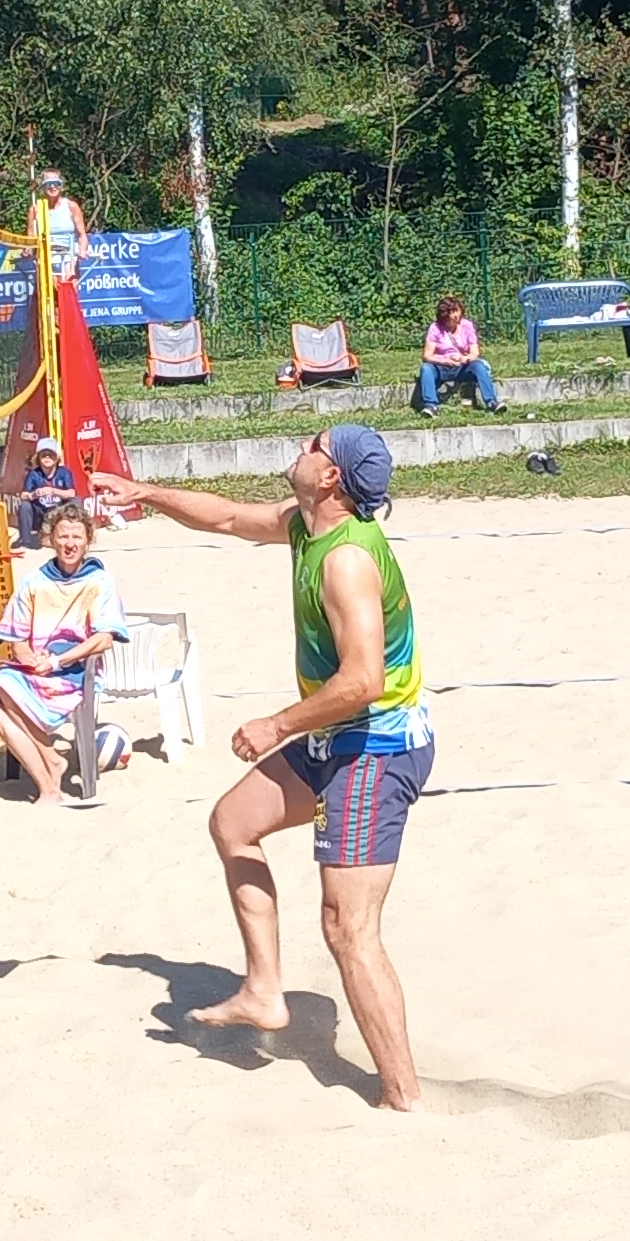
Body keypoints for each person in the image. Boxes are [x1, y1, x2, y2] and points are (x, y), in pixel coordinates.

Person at [92, 426, 431, 1112]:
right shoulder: (306, 526)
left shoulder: (346, 560)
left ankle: (402, 1097)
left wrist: (276, 725)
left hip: (377, 745)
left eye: (316, 444)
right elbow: (223, 517)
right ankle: (265, 989)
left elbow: (363, 680)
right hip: (337, 737)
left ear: (331, 478)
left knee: (347, 928)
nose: (302, 446)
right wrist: (144, 492)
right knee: (233, 823)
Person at [0, 503, 135, 805]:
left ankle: (51, 775)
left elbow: (104, 639)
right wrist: (29, 658)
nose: (70, 544)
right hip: (38, 669)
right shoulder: (34, 581)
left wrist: (57, 661)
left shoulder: (99, 581)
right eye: (63, 536)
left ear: (88, 540)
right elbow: (17, 636)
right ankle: (50, 775)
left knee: (2, 698)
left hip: (75, 672)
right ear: (51, 539)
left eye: (76, 537)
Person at [414, 294, 503, 416]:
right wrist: (445, 361)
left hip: (462, 366)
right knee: (426, 368)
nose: (456, 315)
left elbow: (475, 352)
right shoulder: (435, 328)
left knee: (478, 365)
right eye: (452, 312)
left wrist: (464, 358)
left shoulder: (467, 325)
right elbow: (427, 356)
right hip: (441, 367)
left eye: (457, 310)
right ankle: (431, 405)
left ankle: (492, 402)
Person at [11, 437, 77, 546]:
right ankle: (25, 540)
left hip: (59, 512)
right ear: (38, 457)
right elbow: (23, 495)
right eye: (44, 454)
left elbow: (72, 493)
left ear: (57, 457)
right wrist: (33, 494)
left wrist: (53, 491)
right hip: (40, 514)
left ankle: (74, 535)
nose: (47, 457)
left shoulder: (64, 472)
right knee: (25, 506)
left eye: (51, 454)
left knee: (76, 502)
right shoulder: (34, 474)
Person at [34, 169, 89, 281]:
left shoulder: (71, 206)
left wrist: (82, 250)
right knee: (50, 286)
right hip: (46, 256)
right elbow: (31, 239)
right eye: (48, 183)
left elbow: (82, 235)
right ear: (43, 187)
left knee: (68, 284)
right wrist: (27, 251)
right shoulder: (35, 210)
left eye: (56, 183)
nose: (52, 187)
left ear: (61, 186)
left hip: (69, 255)